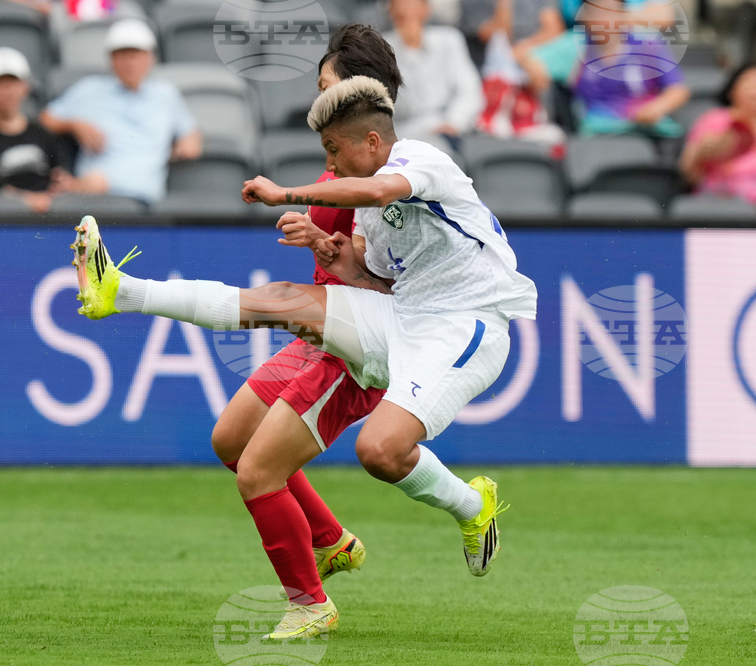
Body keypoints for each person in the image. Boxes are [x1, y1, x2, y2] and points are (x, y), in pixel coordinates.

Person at [70, 76, 536, 639]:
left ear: (371, 139)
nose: (330, 164)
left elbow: (378, 192)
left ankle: (470, 505)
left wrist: (286, 194)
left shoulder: (423, 160)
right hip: (404, 316)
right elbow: (371, 276)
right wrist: (329, 251)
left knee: (380, 451)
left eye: (334, 150)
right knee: (282, 302)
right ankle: (121, 291)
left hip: (467, 326)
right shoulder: (365, 205)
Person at [208, 22, 401, 637]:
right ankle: (329, 540)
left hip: (353, 345)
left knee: (256, 472)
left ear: (357, 91)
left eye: (325, 84)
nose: (315, 95)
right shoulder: (343, 160)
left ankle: (309, 602)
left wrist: (317, 231)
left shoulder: (390, 176)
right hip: (320, 328)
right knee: (230, 439)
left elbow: (389, 278)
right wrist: (317, 232)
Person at [41, 19, 202, 204]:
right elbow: (46, 119)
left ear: (151, 58)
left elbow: (190, 132)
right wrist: (74, 125)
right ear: (111, 60)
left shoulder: (166, 95)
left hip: (146, 197)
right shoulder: (89, 89)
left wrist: (189, 143)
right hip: (97, 195)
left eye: (136, 55)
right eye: (122, 55)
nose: (130, 63)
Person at [518, 1, 689, 137]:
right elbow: (528, 57)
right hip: (598, 135)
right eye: (596, 11)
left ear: (624, 15)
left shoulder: (648, 43)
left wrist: (657, 108)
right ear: (585, 17)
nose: (604, 19)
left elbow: (678, 89)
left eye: (610, 11)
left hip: (648, 131)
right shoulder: (576, 45)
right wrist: (535, 70)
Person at [0, 47, 69, 214]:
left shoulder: (43, 133)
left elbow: (60, 177)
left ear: (26, 87)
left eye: (13, 82)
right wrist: (25, 200)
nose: (7, 91)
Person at [385, 0, 483, 150]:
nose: (407, 9)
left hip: (450, 131)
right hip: (404, 135)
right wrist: (408, 50)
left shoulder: (450, 39)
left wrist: (453, 122)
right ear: (391, 10)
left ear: (426, 9)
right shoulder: (382, 46)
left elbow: (469, 89)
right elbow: (397, 105)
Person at [680, 62, 756, 208]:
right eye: (749, 80)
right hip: (720, 204)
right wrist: (701, 154)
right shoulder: (713, 120)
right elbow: (689, 174)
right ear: (732, 89)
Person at [460, 0, 565, 67]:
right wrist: (504, 4)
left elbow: (554, 30)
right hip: (491, 68)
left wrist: (522, 51)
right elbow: (496, 36)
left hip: (531, 57)